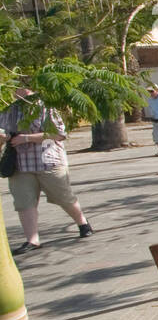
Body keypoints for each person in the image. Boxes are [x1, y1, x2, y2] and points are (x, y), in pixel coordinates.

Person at [0, 86, 94, 254]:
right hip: (20, 165)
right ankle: (32, 240)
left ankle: (82, 223)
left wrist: (27, 138)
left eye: (24, 88)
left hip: (48, 161)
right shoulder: (7, 111)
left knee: (63, 197)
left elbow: (58, 134)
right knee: (24, 202)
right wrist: (3, 139)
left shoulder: (45, 107)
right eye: (17, 89)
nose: (21, 92)